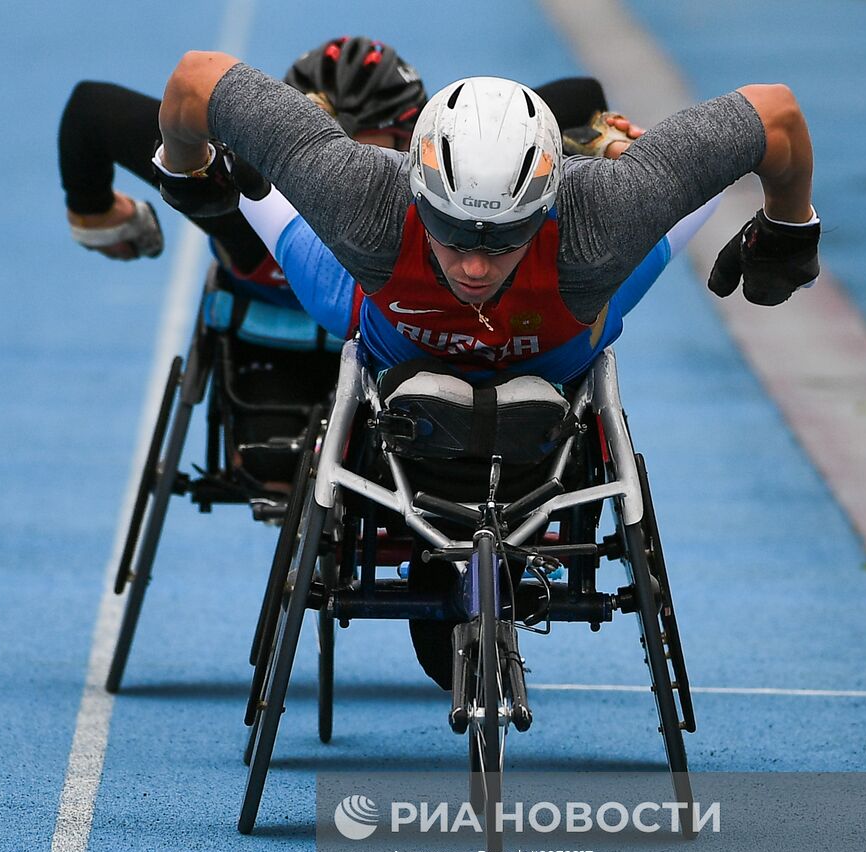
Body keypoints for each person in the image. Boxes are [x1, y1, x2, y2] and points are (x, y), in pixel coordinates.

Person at [149, 55, 819, 685]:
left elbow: (777, 113)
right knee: (262, 201)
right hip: (431, 309)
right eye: (452, 229)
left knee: (651, 203)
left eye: (502, 237)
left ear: (549, 200)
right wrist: (787, 225)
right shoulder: (365, 196)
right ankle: (612, 140)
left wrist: (187, 170)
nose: (474, 265)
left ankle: (609, 147)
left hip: (535, 290)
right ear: (418, 191)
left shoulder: (600, 217)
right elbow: (193, 80)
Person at [57, 38, 643, 483]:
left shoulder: (455, 193)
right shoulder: (239, 189)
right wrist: (103, 214)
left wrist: (101, 218)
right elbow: (93, 109)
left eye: (366, 157)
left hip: (415, 369)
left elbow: (575, 97)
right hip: (285, 364)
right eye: (328, 158)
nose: (346, 184)